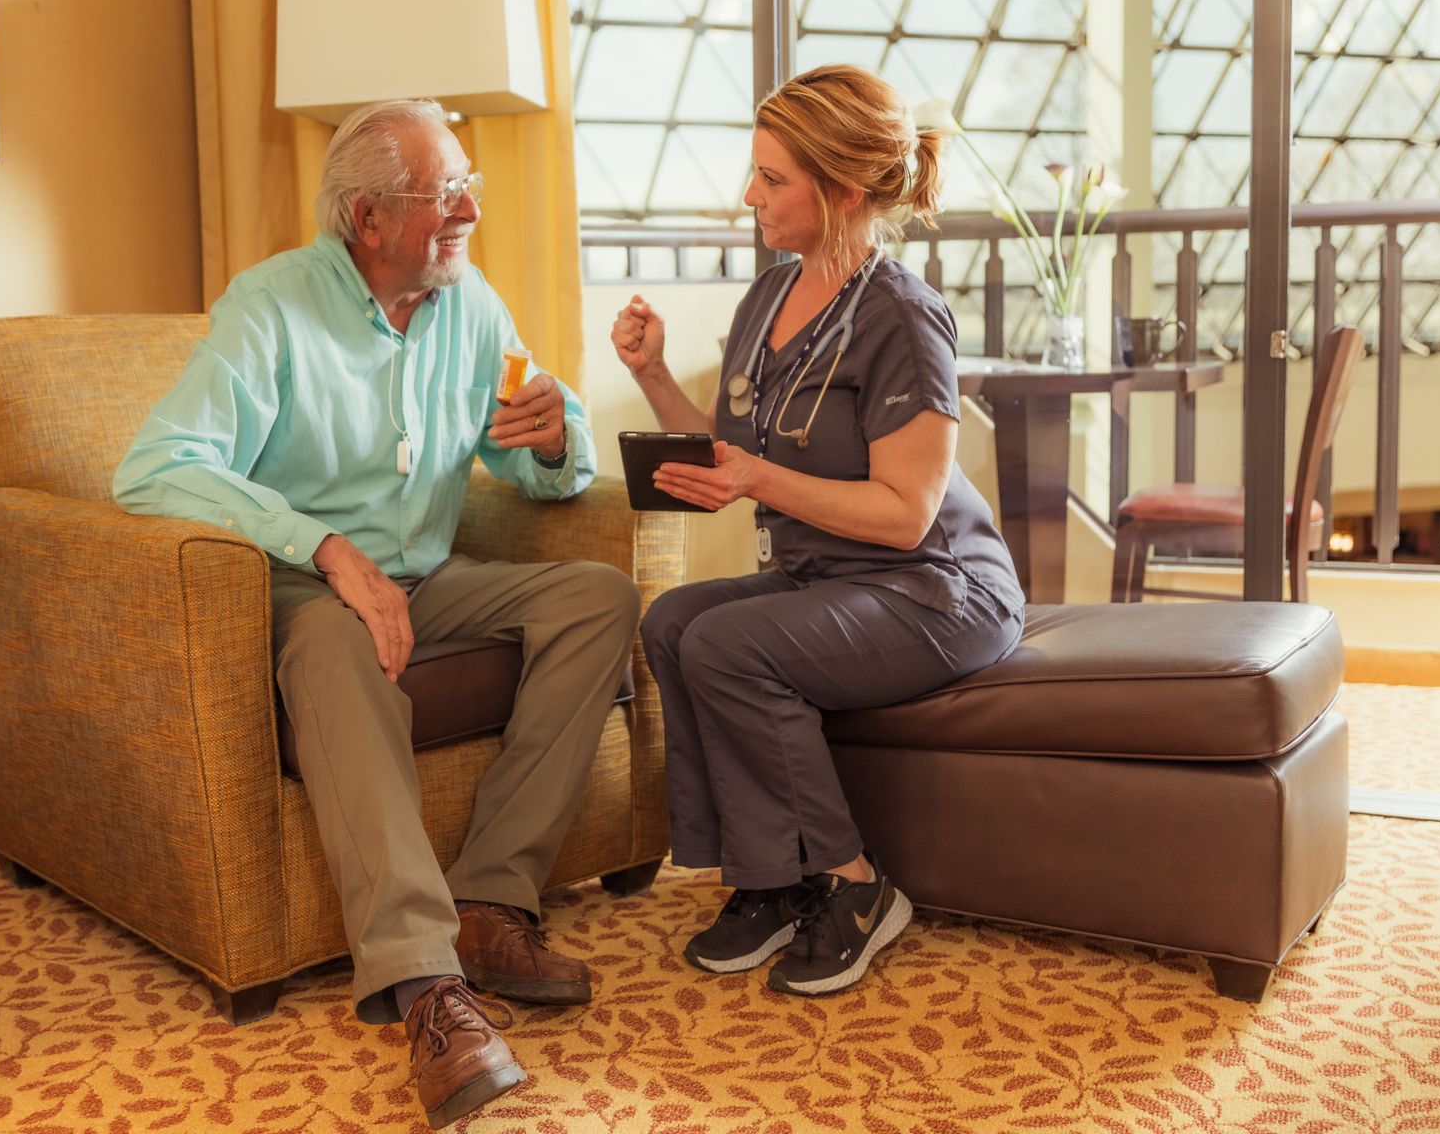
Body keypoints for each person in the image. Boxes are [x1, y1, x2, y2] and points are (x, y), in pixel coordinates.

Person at [114, 99, 640, 1128]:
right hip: (300, 587)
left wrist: (551, 438)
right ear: (368, 217)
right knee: (330, 638)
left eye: (468, 188)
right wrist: (323, 547)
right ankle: (427, 983)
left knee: (597, 597)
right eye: (447, 195)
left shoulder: (470, 304)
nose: (471, 211)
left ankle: (492, 900)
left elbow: (537, 464)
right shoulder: (271, 306)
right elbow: (156, 467)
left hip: (425, 577)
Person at [611, 64, 1025, 998]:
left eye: (772, 178)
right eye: (754, 173)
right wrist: (652, 374)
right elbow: (731, 453)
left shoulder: (903, 317)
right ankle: (772, 879)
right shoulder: (768, 299)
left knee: (725, 644)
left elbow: (906, 513)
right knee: (672, 622)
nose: (749, 196)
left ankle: (855, 884)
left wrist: (758, 480)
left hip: (935, 588)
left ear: (843, 191)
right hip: (825, 576)